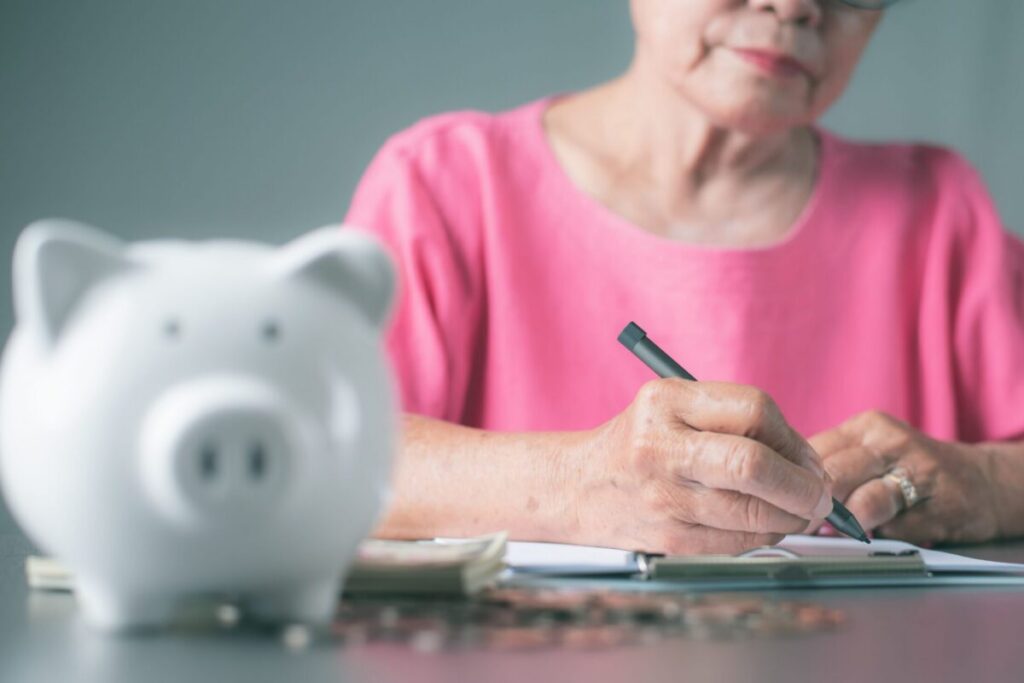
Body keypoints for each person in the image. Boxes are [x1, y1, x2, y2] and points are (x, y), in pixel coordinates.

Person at [344, 0, 1024, 553]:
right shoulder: (444, 188)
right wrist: (580, 483)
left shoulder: (940, 212)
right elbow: (330, 456)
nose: (794, 8)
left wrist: (993, 481)